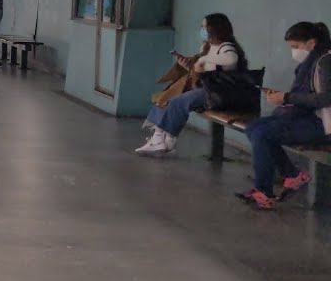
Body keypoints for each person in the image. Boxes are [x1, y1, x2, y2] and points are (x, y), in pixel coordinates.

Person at [237, 22, 331, 210]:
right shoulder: (311, 62)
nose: (293, 52)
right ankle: (292, 175)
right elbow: (306, 96)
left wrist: (287, 97)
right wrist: (283, 98)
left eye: (295, 47)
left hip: (323, 124)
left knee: (262, 134)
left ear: (312, 43)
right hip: (309, 118)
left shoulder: (325, 62)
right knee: (253, 127)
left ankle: (264, 192)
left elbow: (325, 98)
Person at [136, 14, 246, 155]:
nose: (202, 30)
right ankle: (158, 138)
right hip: (209, 88)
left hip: (221, 93)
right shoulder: (208, 47)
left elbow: (231, 59)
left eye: (205, 27)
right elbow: (203, 72)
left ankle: (168, 141)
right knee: (167, 96)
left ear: (215, 28)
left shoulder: (227, 47)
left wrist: (203, 60)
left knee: (179, 101)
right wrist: (189, 66)